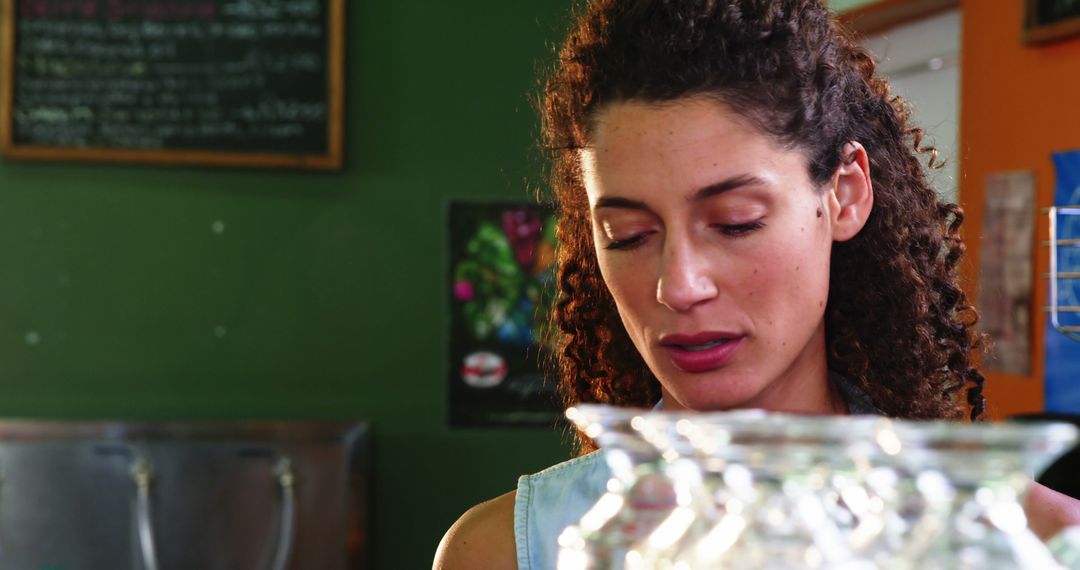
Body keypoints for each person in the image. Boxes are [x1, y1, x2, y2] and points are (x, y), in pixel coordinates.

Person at [434, 1, 1080, 568]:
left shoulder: (1031, 543)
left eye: (735, 223)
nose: (679, 286)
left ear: (844, 195)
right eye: (629, 235)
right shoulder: (512, 550)